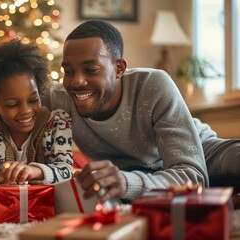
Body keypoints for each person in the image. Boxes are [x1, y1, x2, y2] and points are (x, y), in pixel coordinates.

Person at [43, 20, 240, 203]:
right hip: (135, 171)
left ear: (119, 69)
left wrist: (127, 182)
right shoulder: (58, 98)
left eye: (91, 69)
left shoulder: (153, 83)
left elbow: (192, 175)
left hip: (196, 152)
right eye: (68, 71)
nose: (76, 81)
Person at [0, 39, 74, 185]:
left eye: (33, 100)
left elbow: (66, 171)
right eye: (12, 104)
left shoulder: (57, 122)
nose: (26, 110)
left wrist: (34, 171)